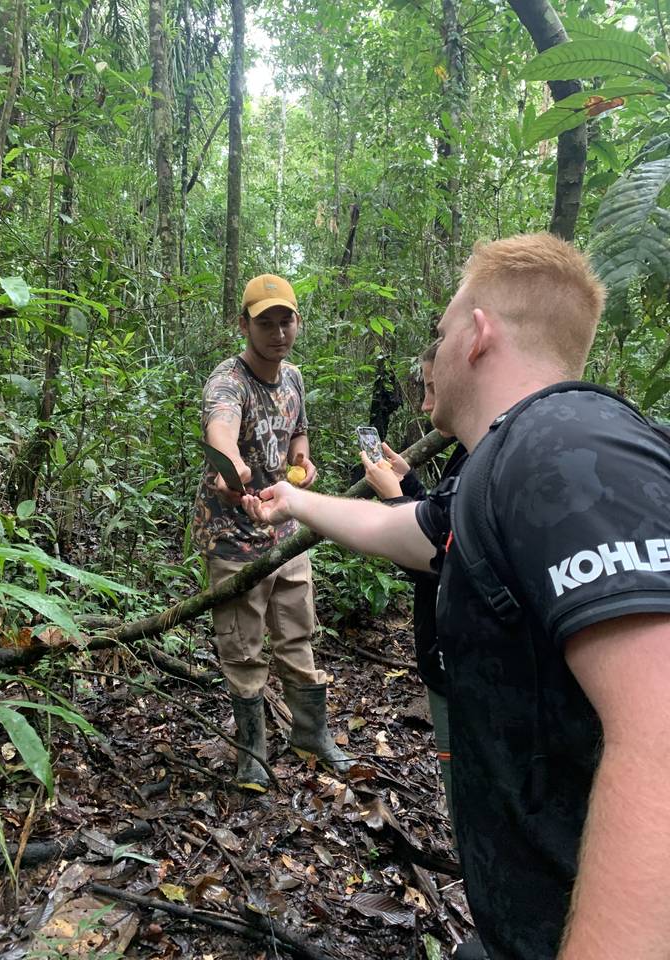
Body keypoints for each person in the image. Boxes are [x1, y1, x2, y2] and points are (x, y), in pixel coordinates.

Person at [242, 233, 670, 960]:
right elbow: (409, 531)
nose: (430, 357)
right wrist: (294, 500)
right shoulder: (500, 468)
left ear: (477, 335)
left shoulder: (568, 448)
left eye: (438, 336)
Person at [192, 274, 350, 792]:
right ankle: (252, 753)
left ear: (297, 322)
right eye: (266, 323)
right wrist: (230, 464)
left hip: (285, 534)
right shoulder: (228, 381)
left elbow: (297, 430)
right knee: (243, 647)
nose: (278, 333)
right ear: (244, 325)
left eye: (286, 321)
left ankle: (311, 735)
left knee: (297, 634)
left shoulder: (294, 378)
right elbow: (221, 425)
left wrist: (302, 458)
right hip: (234, 538)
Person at [362, 342, 465, 833]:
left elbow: (436, 561)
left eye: (432, 389)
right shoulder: (470, 453)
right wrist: (410, 487)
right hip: (446, 660)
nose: (425, 405)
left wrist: (396, 502)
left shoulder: (486, 459)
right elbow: (445, 529)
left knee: (468, 800)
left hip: (460, 670)